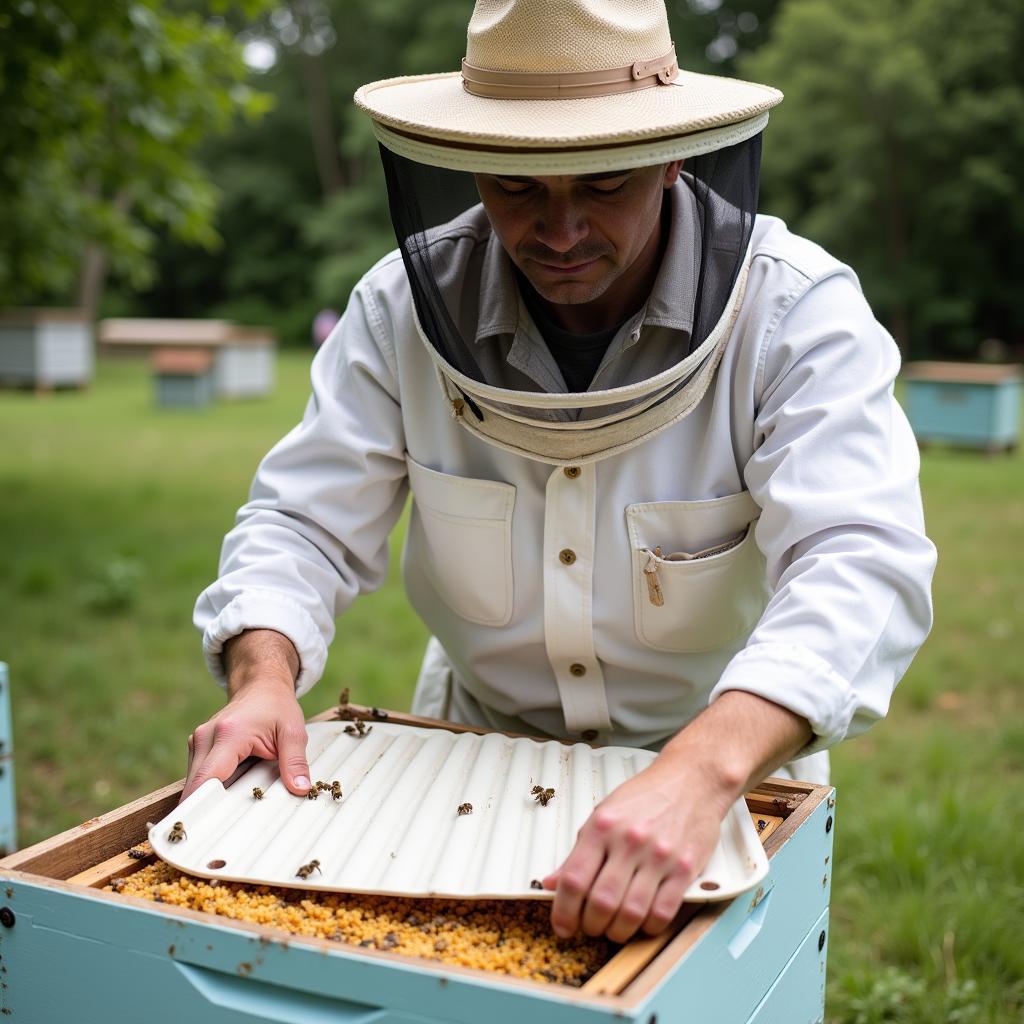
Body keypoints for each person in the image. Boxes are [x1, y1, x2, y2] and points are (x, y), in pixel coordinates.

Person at [186, 0, 936, 944]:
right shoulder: (395, 308)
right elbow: (301, 522)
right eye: (517, 187)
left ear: (674, 156)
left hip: (724, 767)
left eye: (605, 181)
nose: (560, 228)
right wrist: (263, 675)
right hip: (469, 754)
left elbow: (860, 558)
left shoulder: (797, 313)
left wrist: (700, 772)